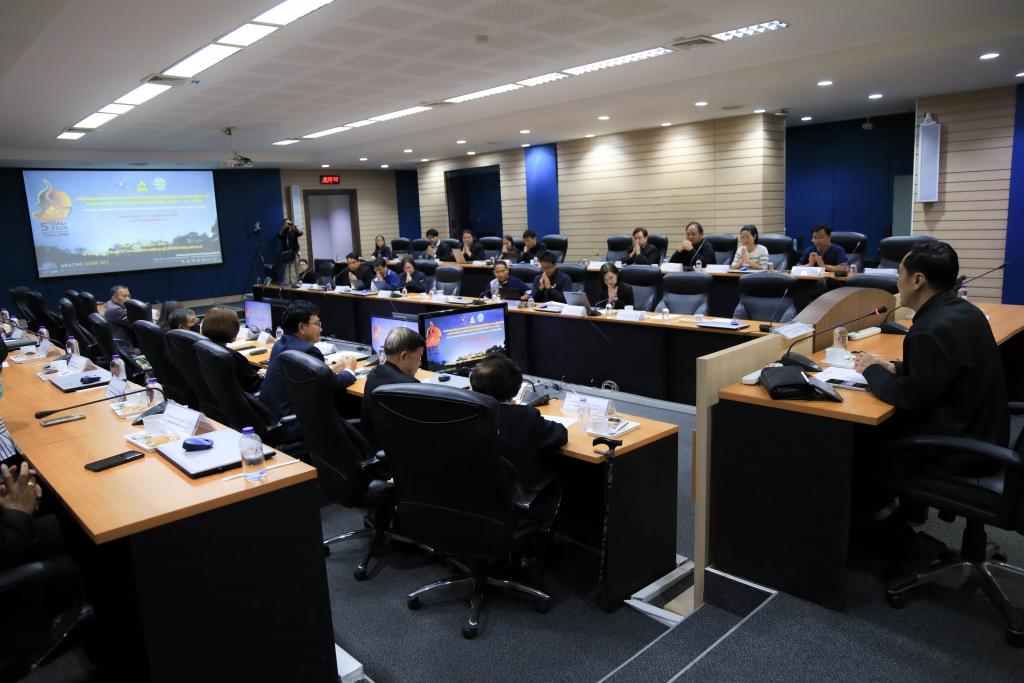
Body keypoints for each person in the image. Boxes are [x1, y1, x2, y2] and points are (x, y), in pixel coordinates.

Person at [853, 241, 1008, 572]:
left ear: (917, 280)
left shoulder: (929, 329)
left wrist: (870, 370)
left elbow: (910, 397)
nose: (897, 280)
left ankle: (903, 545)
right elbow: (944, 370)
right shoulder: (964, 312)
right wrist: (897, 366)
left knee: (860, 450)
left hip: (959, 449)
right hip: (987, 432)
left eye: (900, 272)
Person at [469, 354, 567, 511]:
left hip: (473, 497)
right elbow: (561, 435)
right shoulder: (525, 416)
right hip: (516, 501)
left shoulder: (466, 415)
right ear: (516, 390)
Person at [258, 300, 357, 424]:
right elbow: (332, 384)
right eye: (317, 324)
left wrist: (329, 369)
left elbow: (302, 377)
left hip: (271, 416)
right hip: (295, 422)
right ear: (301, 327)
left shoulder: (280, 344)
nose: (321, 329)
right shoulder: (309, 351)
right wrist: (349, 370)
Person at [361, 327, 424, 450]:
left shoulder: (374, 373)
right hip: (403, 453)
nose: (420, 363)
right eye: (419, 357)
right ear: (404, 356)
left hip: (375, 447)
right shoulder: (411, 386)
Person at [200, 306, 263, 393]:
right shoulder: (233, 357)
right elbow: (254, 384)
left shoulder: (202, 347)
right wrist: (263, 374)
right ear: (232, 329)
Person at [103, 284, 135, 350]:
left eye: (129, 296)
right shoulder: (116, 310)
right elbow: (135, 325)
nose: (128, 299)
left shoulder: (110, 303)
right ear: (114, 298)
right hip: (123, 347)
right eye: (124, 296)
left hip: (116, 342)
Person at [278, 219, 303, 284]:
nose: (289, 224)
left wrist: (295, 226)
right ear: (284, 224)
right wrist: (284, 227)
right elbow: (279, 235)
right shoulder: (283, 232)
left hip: (295, 251)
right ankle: (287, 281)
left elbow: (300, 233)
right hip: (287, 253)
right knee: (287, 268)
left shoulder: (294, 230)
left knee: (297, 267)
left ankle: (299, 281)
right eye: (287, 223)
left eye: (289, 223)